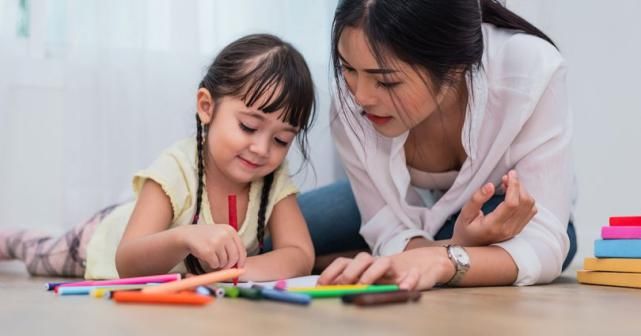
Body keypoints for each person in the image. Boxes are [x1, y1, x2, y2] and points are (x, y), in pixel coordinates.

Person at [0, 34, 316, 281]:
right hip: (101, 240)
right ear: (207, 107)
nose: (262, 148)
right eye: (248, 126)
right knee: (38, 254)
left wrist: (237, 273)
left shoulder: (273, 178)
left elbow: (300, 253)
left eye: (281, 139)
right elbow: (128, 261)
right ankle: (11, 239)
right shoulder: (177, 168)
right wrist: (185, 238)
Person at [310, 0, 577, 289]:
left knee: (544, 239)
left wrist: (444, 259)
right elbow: (386, 227)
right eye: (348, 68)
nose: (360, 97)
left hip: (492, 213)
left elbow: (545, 241)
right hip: (401, 213)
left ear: (453, 67)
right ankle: (344, 257)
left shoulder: (529, 71)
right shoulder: (349, 103)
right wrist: (455, 247)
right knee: (278, 231)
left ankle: (351, 257)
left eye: (386, 82)